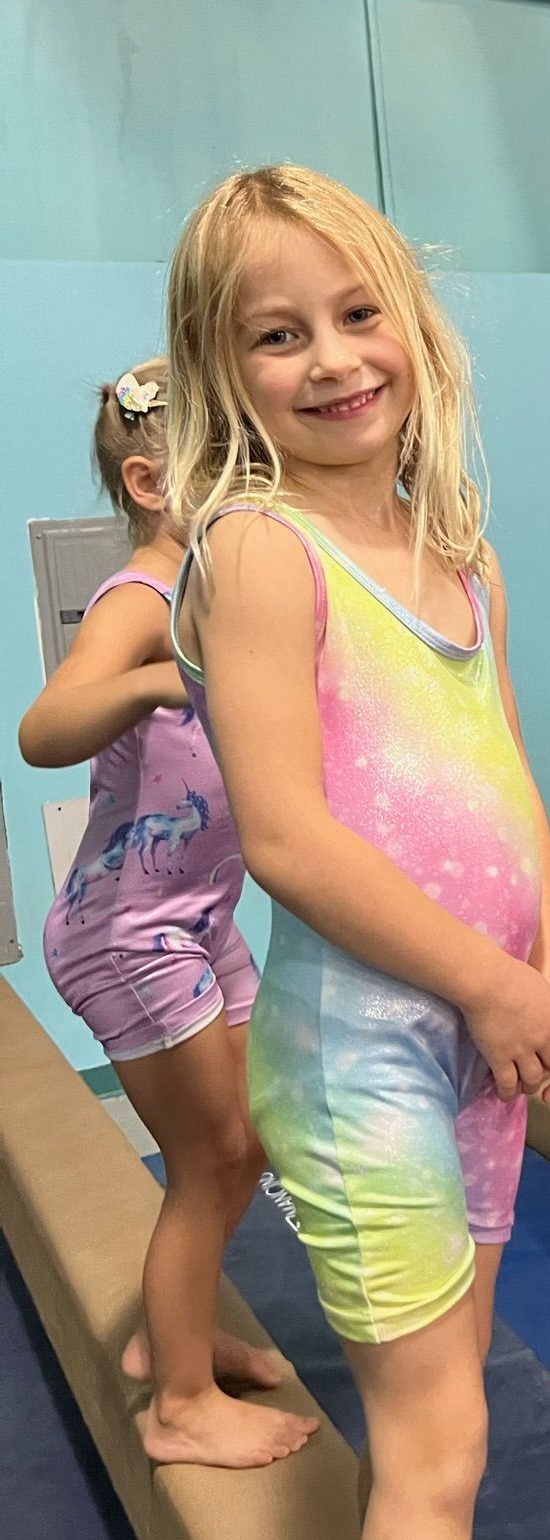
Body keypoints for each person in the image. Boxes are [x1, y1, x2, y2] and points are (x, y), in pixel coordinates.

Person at [164, 167, 550, 1540]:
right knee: (434, 1448)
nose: (334, 359)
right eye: (280, 336)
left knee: (451, 1392)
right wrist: (485, 980)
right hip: (364, 1060)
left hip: (480, 1033)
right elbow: (282, 835)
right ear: (224, 369)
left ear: (414, 325)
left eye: (358, 315)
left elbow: (511, 775)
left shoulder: (457, 555)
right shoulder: (263, 550)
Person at [18, 359, 315, 1470]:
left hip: (194, 919)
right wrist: (149, 682)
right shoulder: (143, 599)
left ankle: (167, 1335)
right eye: (227, 463)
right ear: (150, 483)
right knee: (207, 1161)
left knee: (245, 1150)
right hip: (126, 930)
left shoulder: (224, 594)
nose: (254, 479)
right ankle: (180, 1405)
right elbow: (45, 730)